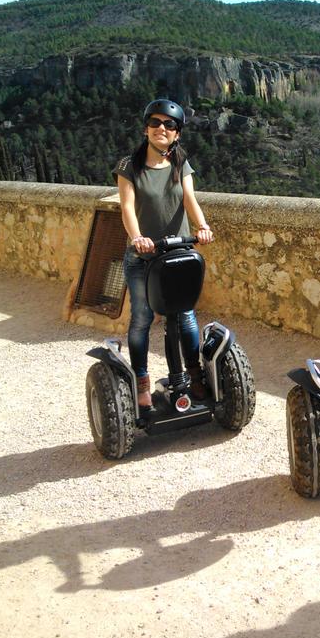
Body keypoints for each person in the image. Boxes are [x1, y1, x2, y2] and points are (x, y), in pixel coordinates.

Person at [114, 99, 214, 411]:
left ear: (177, 134)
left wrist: (202, 226)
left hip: (177, 252)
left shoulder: (181, 162)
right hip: (143, 257)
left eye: (169, 125)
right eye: (155, 122)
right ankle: (142, 381)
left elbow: (189, 199)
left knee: (185, 315)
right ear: (146, 128)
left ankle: (194, 374)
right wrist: (137, 238)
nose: (162, 128)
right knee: (142, 318)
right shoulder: (129, 165)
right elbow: (126, 207)